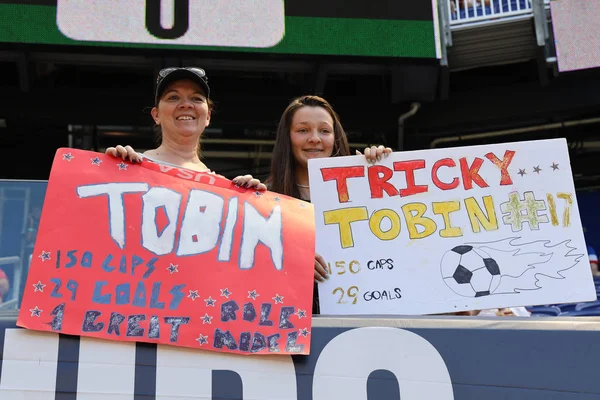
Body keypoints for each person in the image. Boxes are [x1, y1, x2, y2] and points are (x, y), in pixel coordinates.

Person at [266, 95, 392, 314]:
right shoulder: (264, 197)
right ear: (287, 138)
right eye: (303, 130)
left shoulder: (363, 189)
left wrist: (384, 170)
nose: (315, 138)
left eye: (324, 131)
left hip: (354, 323)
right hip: (285, 326)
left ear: (336, 138)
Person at [106, 67, 265, 190]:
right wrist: (108, 171)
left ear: (208, 116)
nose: (186, 105)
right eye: (173, 97)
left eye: (196, 98)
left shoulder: (223, 189)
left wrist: (248, 202)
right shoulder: (127, 166)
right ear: (156, 115)